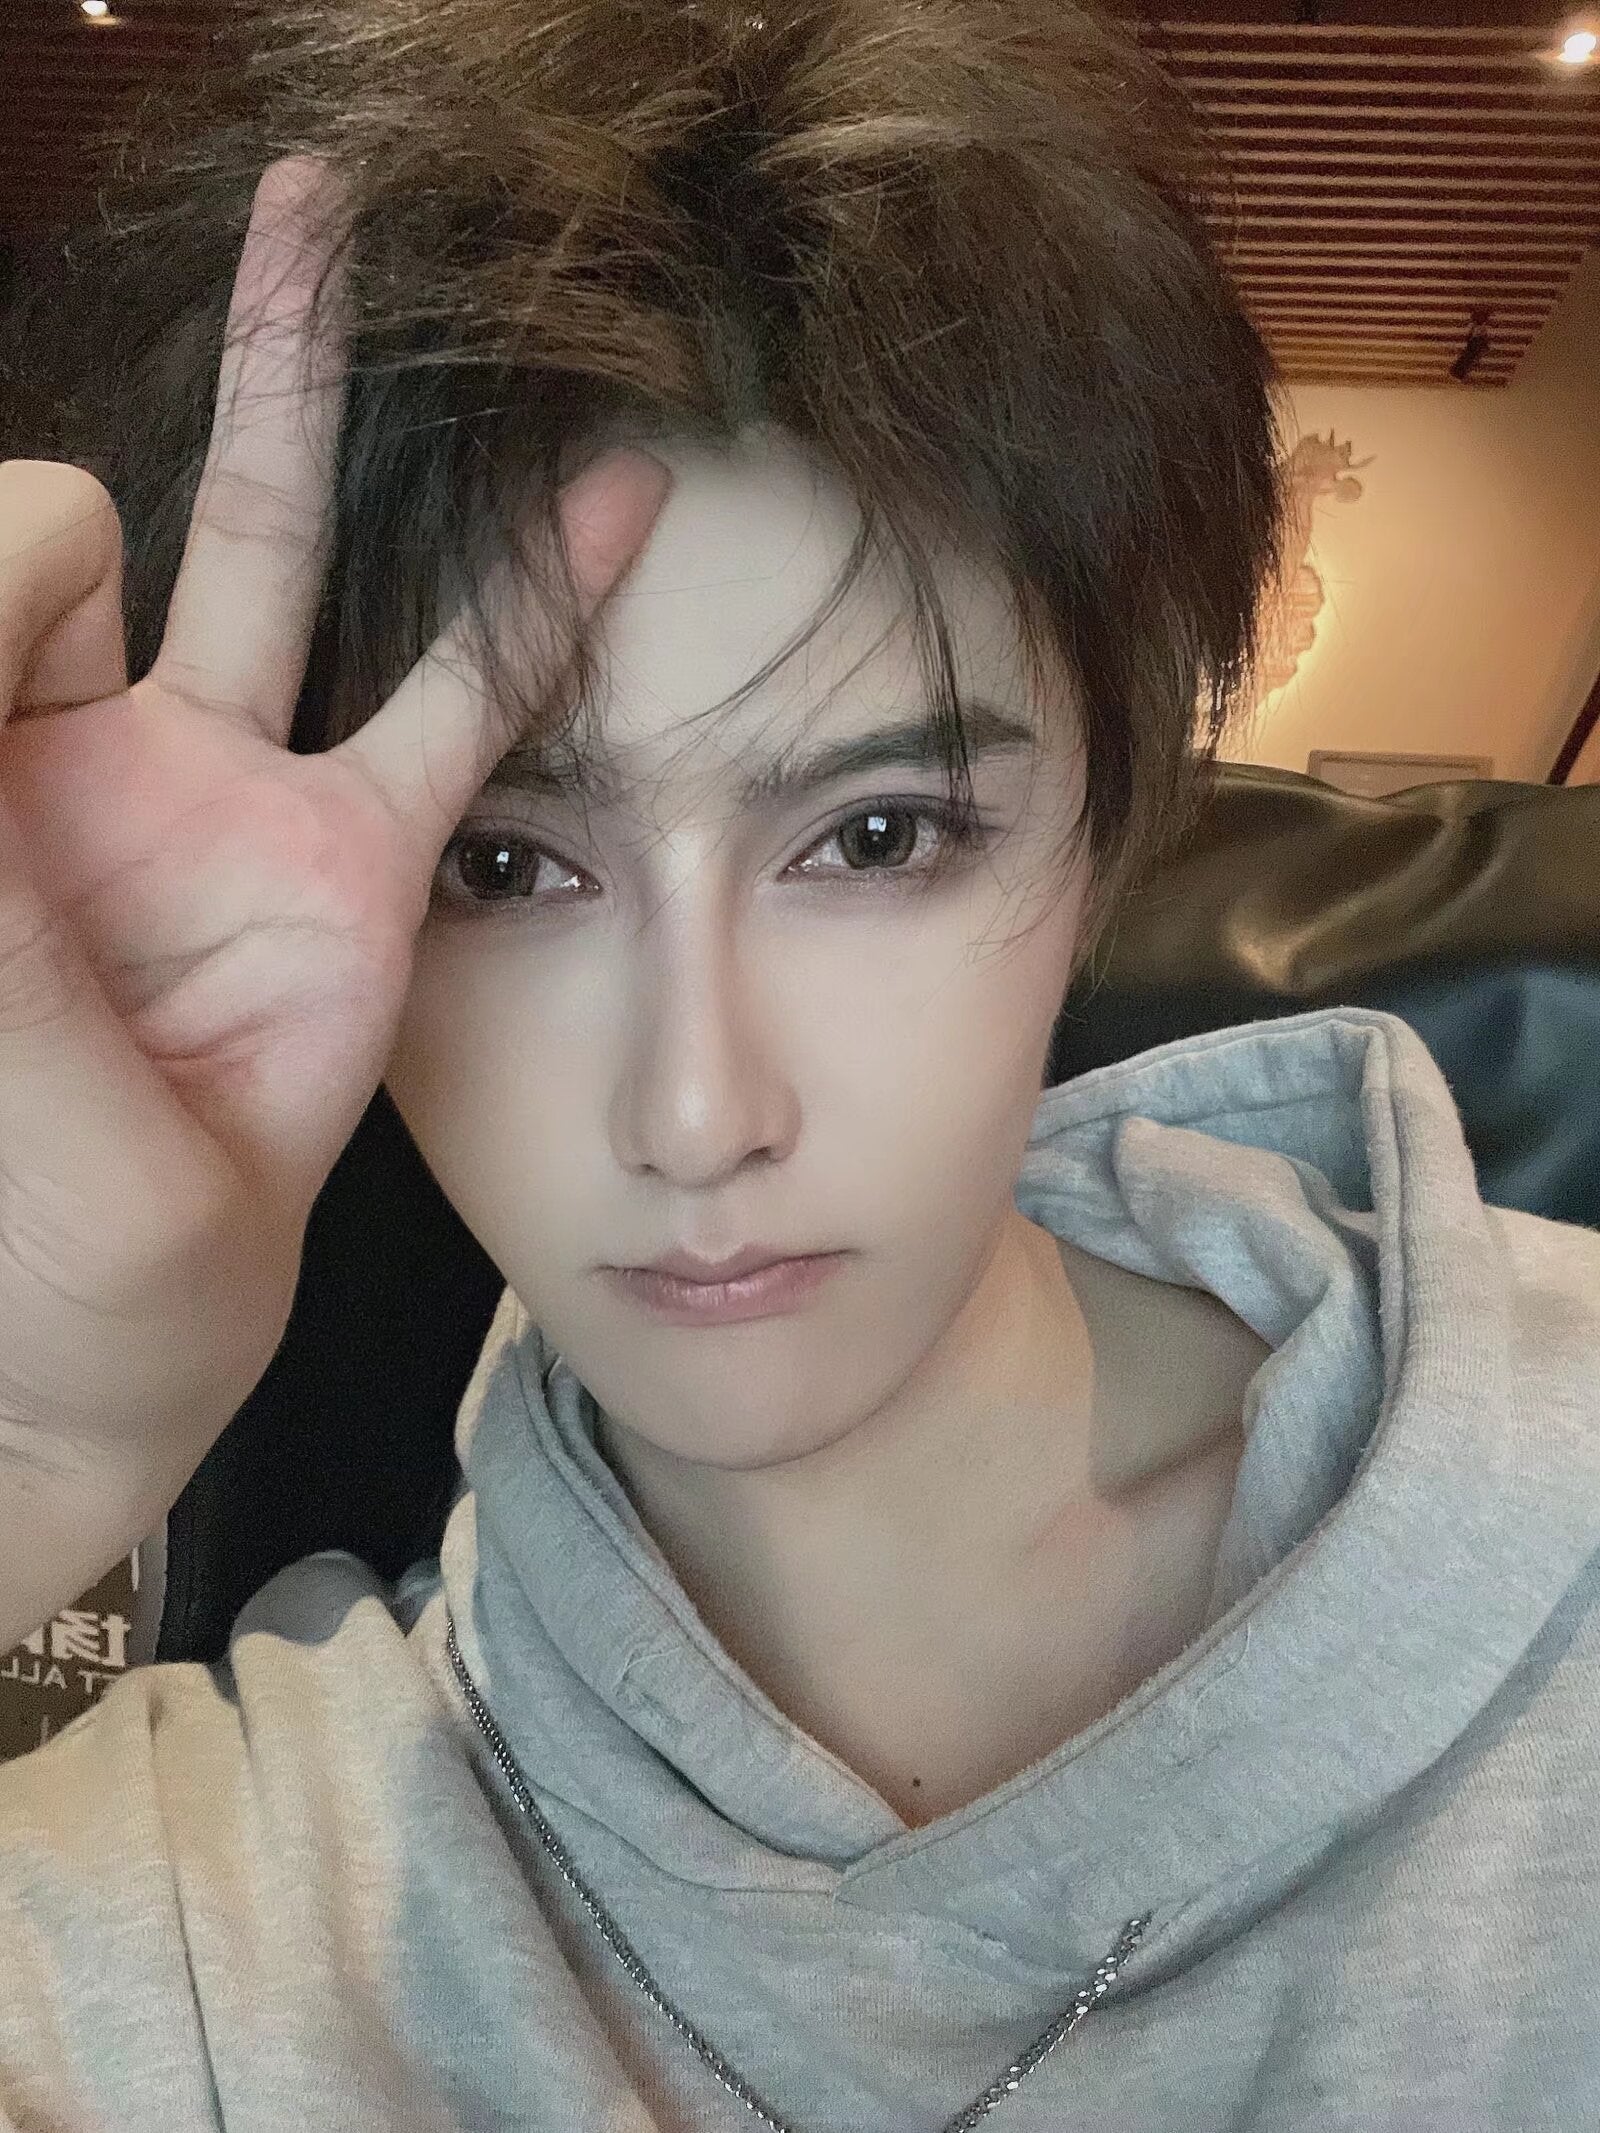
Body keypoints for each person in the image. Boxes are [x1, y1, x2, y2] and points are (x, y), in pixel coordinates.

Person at [1, 0, 1597, 2125]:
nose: (696, 1112)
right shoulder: (217, 1913)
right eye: (502, 864)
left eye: (876, 837)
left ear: (1110, 824)